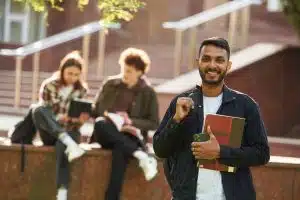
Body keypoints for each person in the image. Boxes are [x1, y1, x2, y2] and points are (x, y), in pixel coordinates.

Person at [153, 37, 270, 200]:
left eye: (219, 60)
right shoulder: (181, 103)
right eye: (206, 59)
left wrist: (220, 152)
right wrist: (176, 121)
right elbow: (160, 150)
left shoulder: (245, 105)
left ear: (228, 66)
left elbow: (262, 154)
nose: (212, 65)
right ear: (198, 63)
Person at [91, 47, 159, 200]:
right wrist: (110, 116)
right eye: (123, 69)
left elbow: (154, 123)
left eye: (129, 71)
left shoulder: (148, 92)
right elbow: (96, 110)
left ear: (140, 72)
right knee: (100, 123)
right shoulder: (110, 84)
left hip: (131, 136)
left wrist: (131, 122)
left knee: (120, 151)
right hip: (107, 132)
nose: (124, 74)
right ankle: (141, 155)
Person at [31, 51, 90, 200]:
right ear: (62, 70)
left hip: (72, 132)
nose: (73, 77)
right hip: (51, 132)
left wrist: (80, 120)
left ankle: (62, 192)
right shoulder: (49, 85)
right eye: (69, 73)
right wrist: (66, 119)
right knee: (37, 110)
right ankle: (66, 140)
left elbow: (78, 119)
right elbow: (46, 115)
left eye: (76, 74)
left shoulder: (82, 90)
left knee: (62, 145)